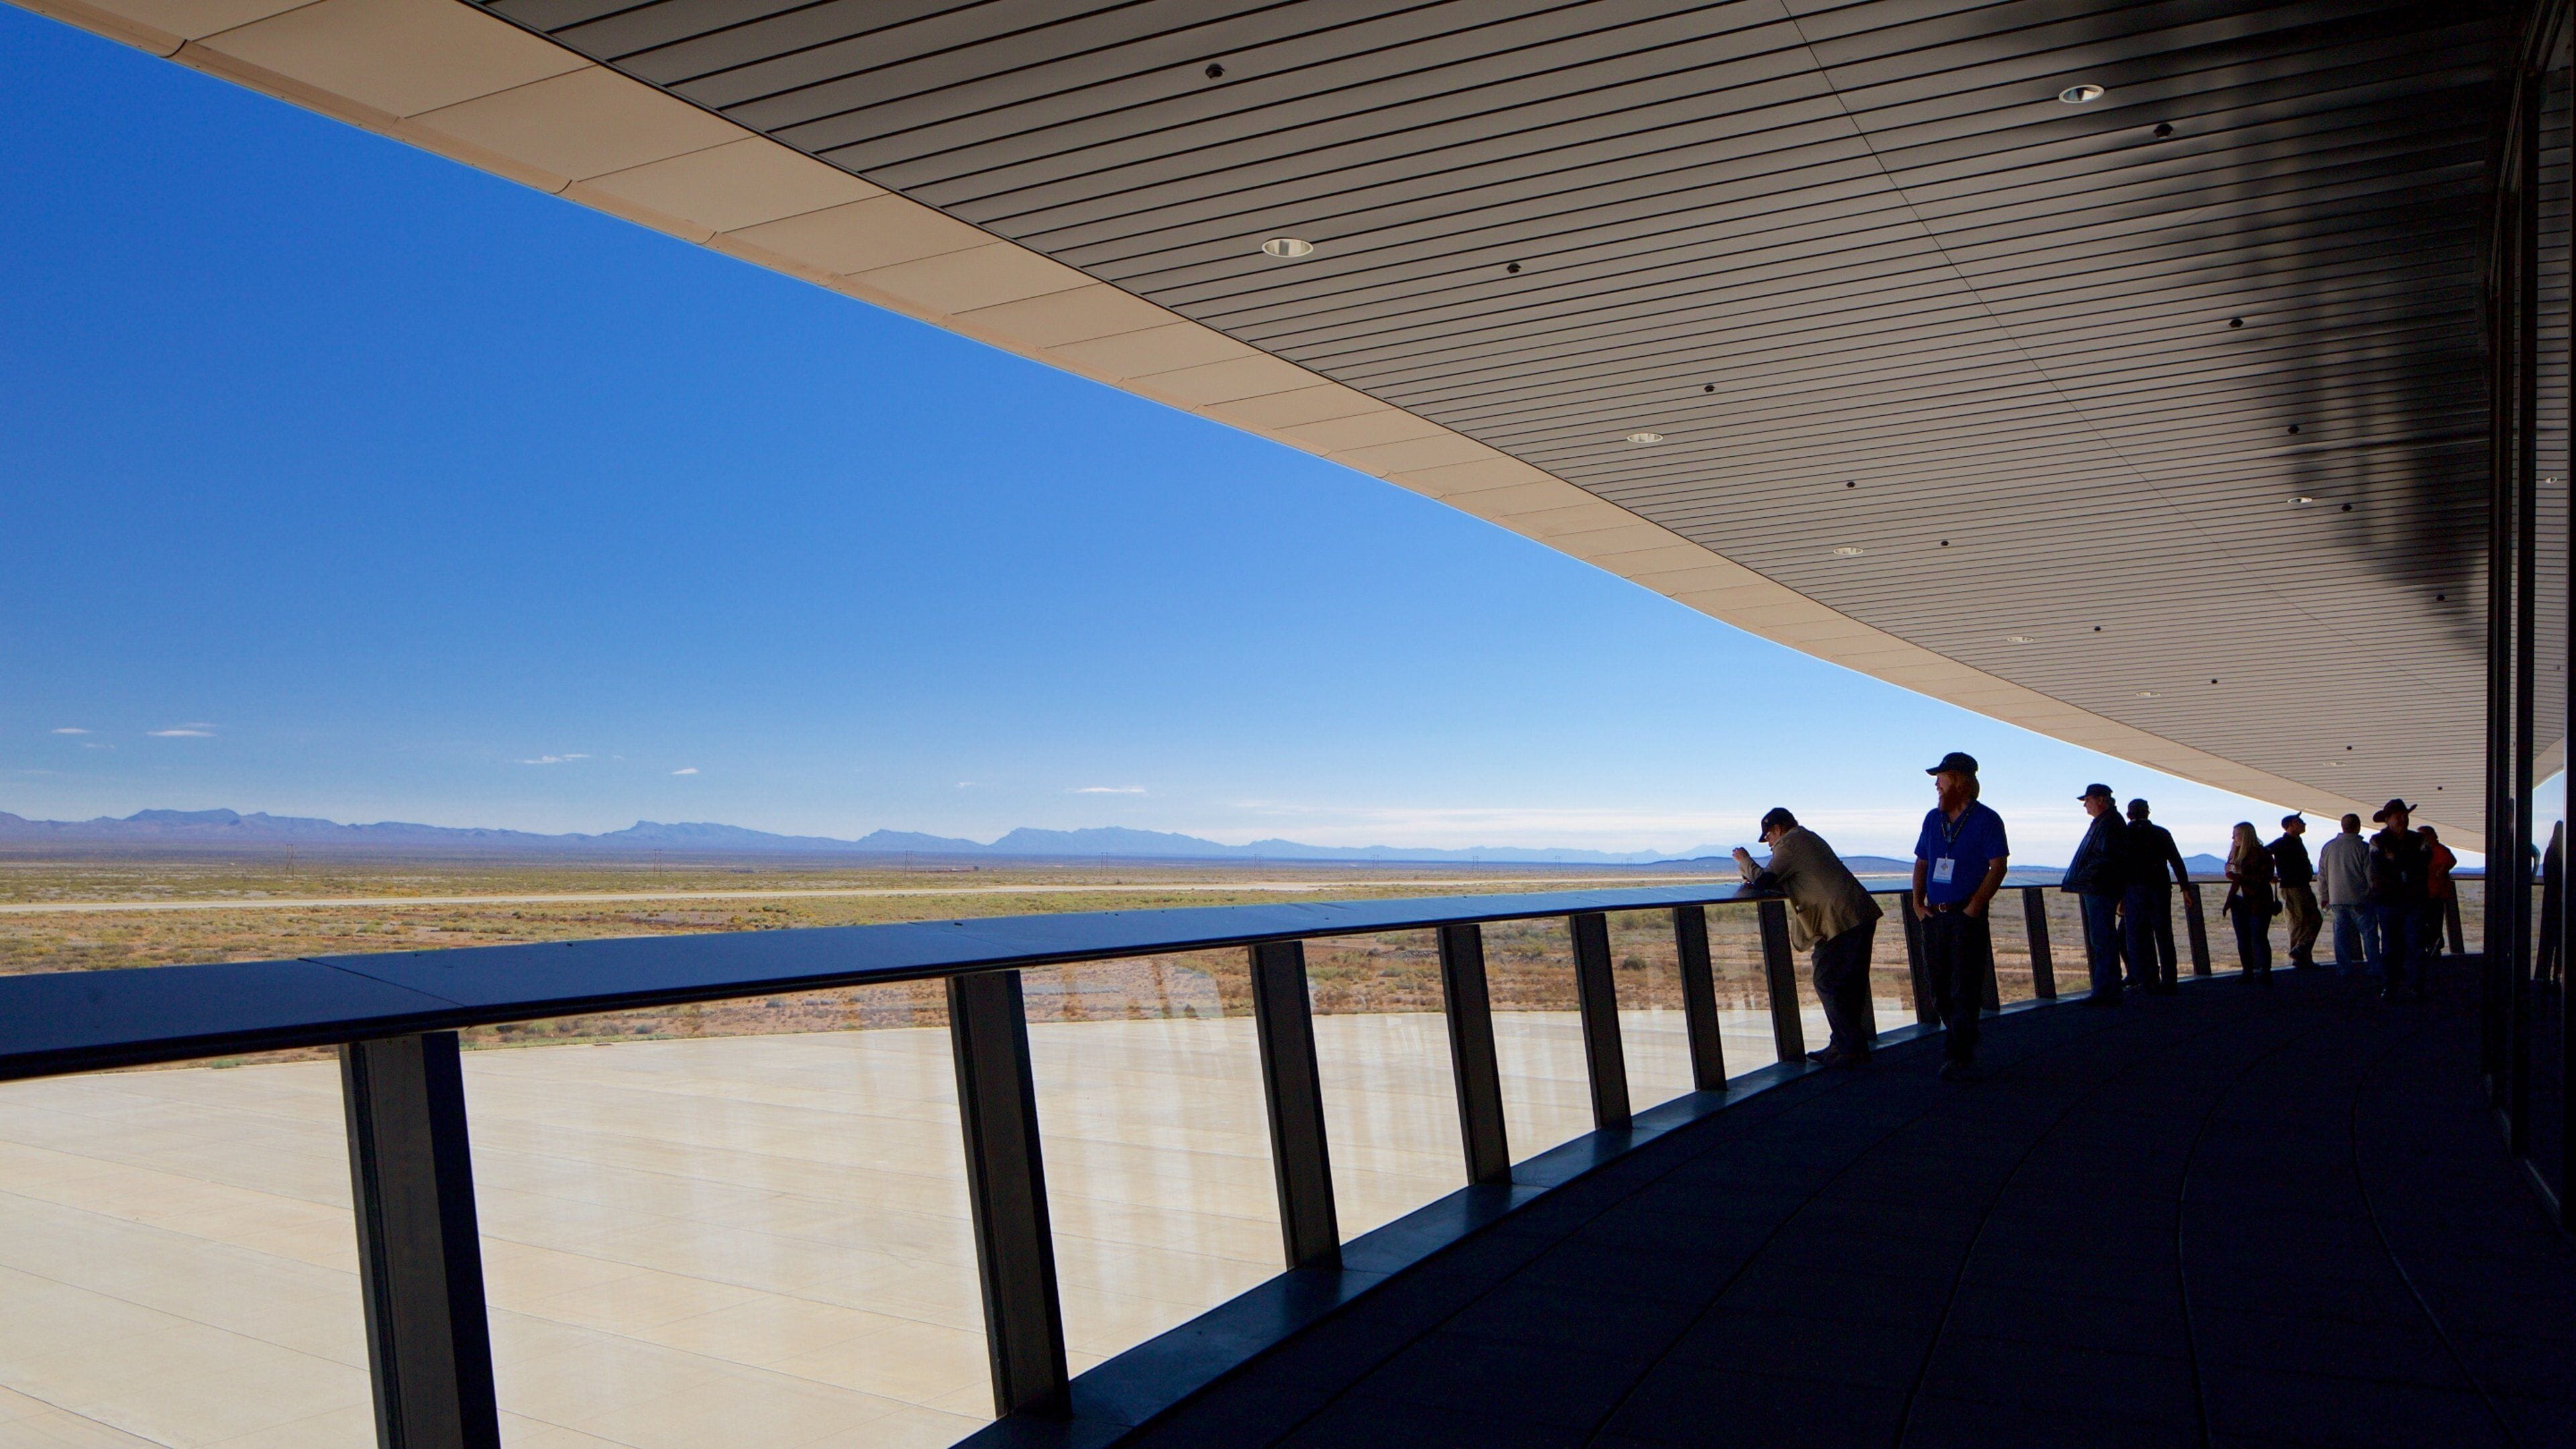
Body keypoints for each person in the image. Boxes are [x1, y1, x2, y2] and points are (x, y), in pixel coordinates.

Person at [1735, 808, 1884, 1068]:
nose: (1770, 844)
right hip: (1853, 916)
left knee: (1827, 981)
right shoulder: (1806, 839)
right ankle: (1842, 1046)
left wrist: (1744, 860)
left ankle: (1851, 1050)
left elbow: (1765, 880)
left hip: (1841, 921)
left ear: (1778, 829)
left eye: (1769, 837)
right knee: (1848, 985)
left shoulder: (1789, 844)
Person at [1912, 752, 2010, 1081]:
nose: (1937, 786)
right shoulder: (1932, 819)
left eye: (1941, 779)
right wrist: (1916, 902)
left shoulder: (1987, 819)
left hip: (1966, 916)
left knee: (1964, 986)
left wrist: (1975, 906)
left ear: (1960, 781)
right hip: (1935, 917)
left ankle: (1959, 1053)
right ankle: (1963, 1036)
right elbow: (1922, 862)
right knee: (1939, 987)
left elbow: (1998, 868)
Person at [2062, 784, 2131, 1005]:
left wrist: (2084, 876)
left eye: (2088, 800)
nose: (2085, 805)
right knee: (2103, 939)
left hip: (2100, 889)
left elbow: (2106, 858)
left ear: (2101, 800)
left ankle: (2106, 991)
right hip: (2100, 888)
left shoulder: (2108, 824)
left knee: (2102, 939)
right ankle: (2108, 988)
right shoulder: (2109, 822)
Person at [2368, 800, 2431, 1001]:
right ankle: (2391, 985)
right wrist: (2405, 864)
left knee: (2415, 945)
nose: (2403, 819)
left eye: (2405, 816)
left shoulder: (2417, 839)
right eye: (2399, 816)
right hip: (2391, 900)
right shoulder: (2378, 840)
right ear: (2388, 819)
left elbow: (2423, 864)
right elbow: (2380, 867)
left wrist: (2396, 860)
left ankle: (2413, 986)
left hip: (2410, 900)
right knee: (2390, 946)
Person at [2124, 798, 2188, 990]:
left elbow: (2118, 866)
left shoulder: (2124, 834)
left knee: (2138, 935)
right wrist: (2185, 887)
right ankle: (2170, 981)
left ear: (2129, 815)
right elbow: (2176, 861)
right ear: (2148, 813)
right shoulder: (2161, 833)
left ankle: (2147, 978)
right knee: (2164, 934)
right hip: (2160, 889)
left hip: (2133, 890)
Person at [2318, 812, 2378, 978]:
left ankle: (2344, 969)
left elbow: (2322, 875)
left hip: (2336, 898)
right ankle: (2374, 967)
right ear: (2358, 827)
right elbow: (2370, 875)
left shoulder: (2329, 847)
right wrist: (2374, 893)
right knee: (2369, 934)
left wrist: (2324, 895)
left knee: (2341, 936)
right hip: (2360, 898)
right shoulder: (2363, 848)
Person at [2223, 821, 2277, 979]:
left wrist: (2240, 875)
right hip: (2241, 900)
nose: (2233, 838)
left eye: (2237, 834)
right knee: (2244, 938)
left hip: (2257, 900)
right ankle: (2249, 971)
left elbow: (2264, 876)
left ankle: (2263, 972)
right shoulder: (2237, 853)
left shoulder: (2260, 853)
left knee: (2258, 936)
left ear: (2246, 835)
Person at [2269, 814, 2320, 969]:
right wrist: (2268, 874)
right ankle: (2300, 957)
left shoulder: (2296, 842)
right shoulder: (2282, 843)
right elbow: (2264, 853)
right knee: (2299, 922)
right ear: (2291, 824)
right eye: (2300, 822)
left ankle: (2301, 954)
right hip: (2292, 888)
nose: (2304, 824)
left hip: (2303, 886)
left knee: (2312, 920)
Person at [2418, 824, 2457, 960]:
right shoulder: (2428, 850)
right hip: (2427, 893)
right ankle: (2431, 949)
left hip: (2434, 894)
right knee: (2428, 924)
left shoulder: (2438, 850)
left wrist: (2441, 871)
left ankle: (2433, 949)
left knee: (2433, 924)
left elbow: (2449, 861)